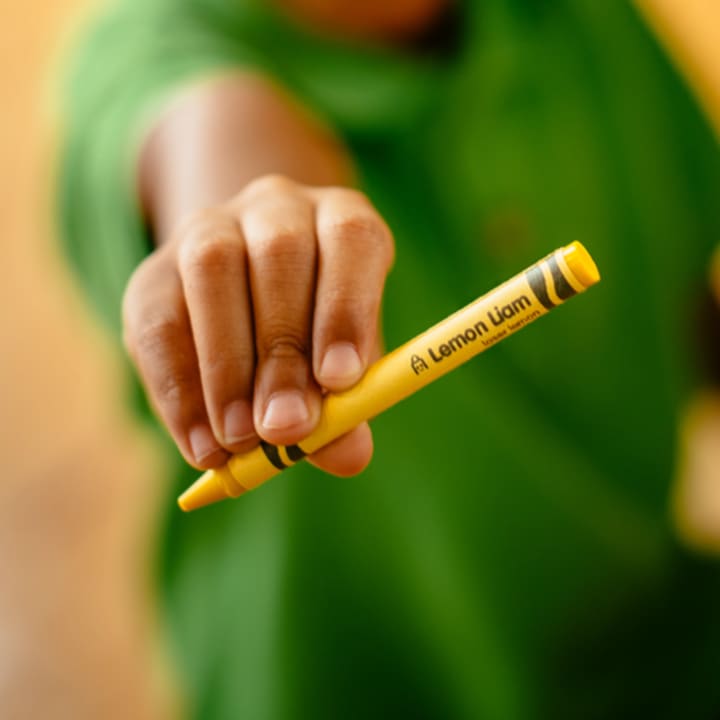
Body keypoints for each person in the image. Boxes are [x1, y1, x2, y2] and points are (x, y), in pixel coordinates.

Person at [60, 0, 720, 717]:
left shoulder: (587, 21)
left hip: (653, 646)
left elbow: (678, 284)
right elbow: (213, 139)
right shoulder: (153, 54)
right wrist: (261, 231)